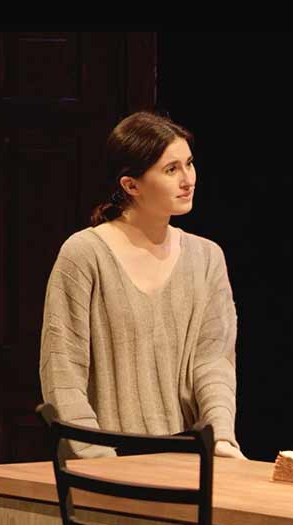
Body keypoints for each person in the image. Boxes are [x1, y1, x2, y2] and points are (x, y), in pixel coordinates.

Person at [39, 111, 245, 459]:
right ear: (130, 185)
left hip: (187, 454)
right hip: (106, 456)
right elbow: (63, 370)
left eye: (189, 164)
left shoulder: (207, 257)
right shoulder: (85, 254)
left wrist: (221, 437)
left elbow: (214, 362)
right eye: (171, 169)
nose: (187, 179)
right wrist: (94, 454)